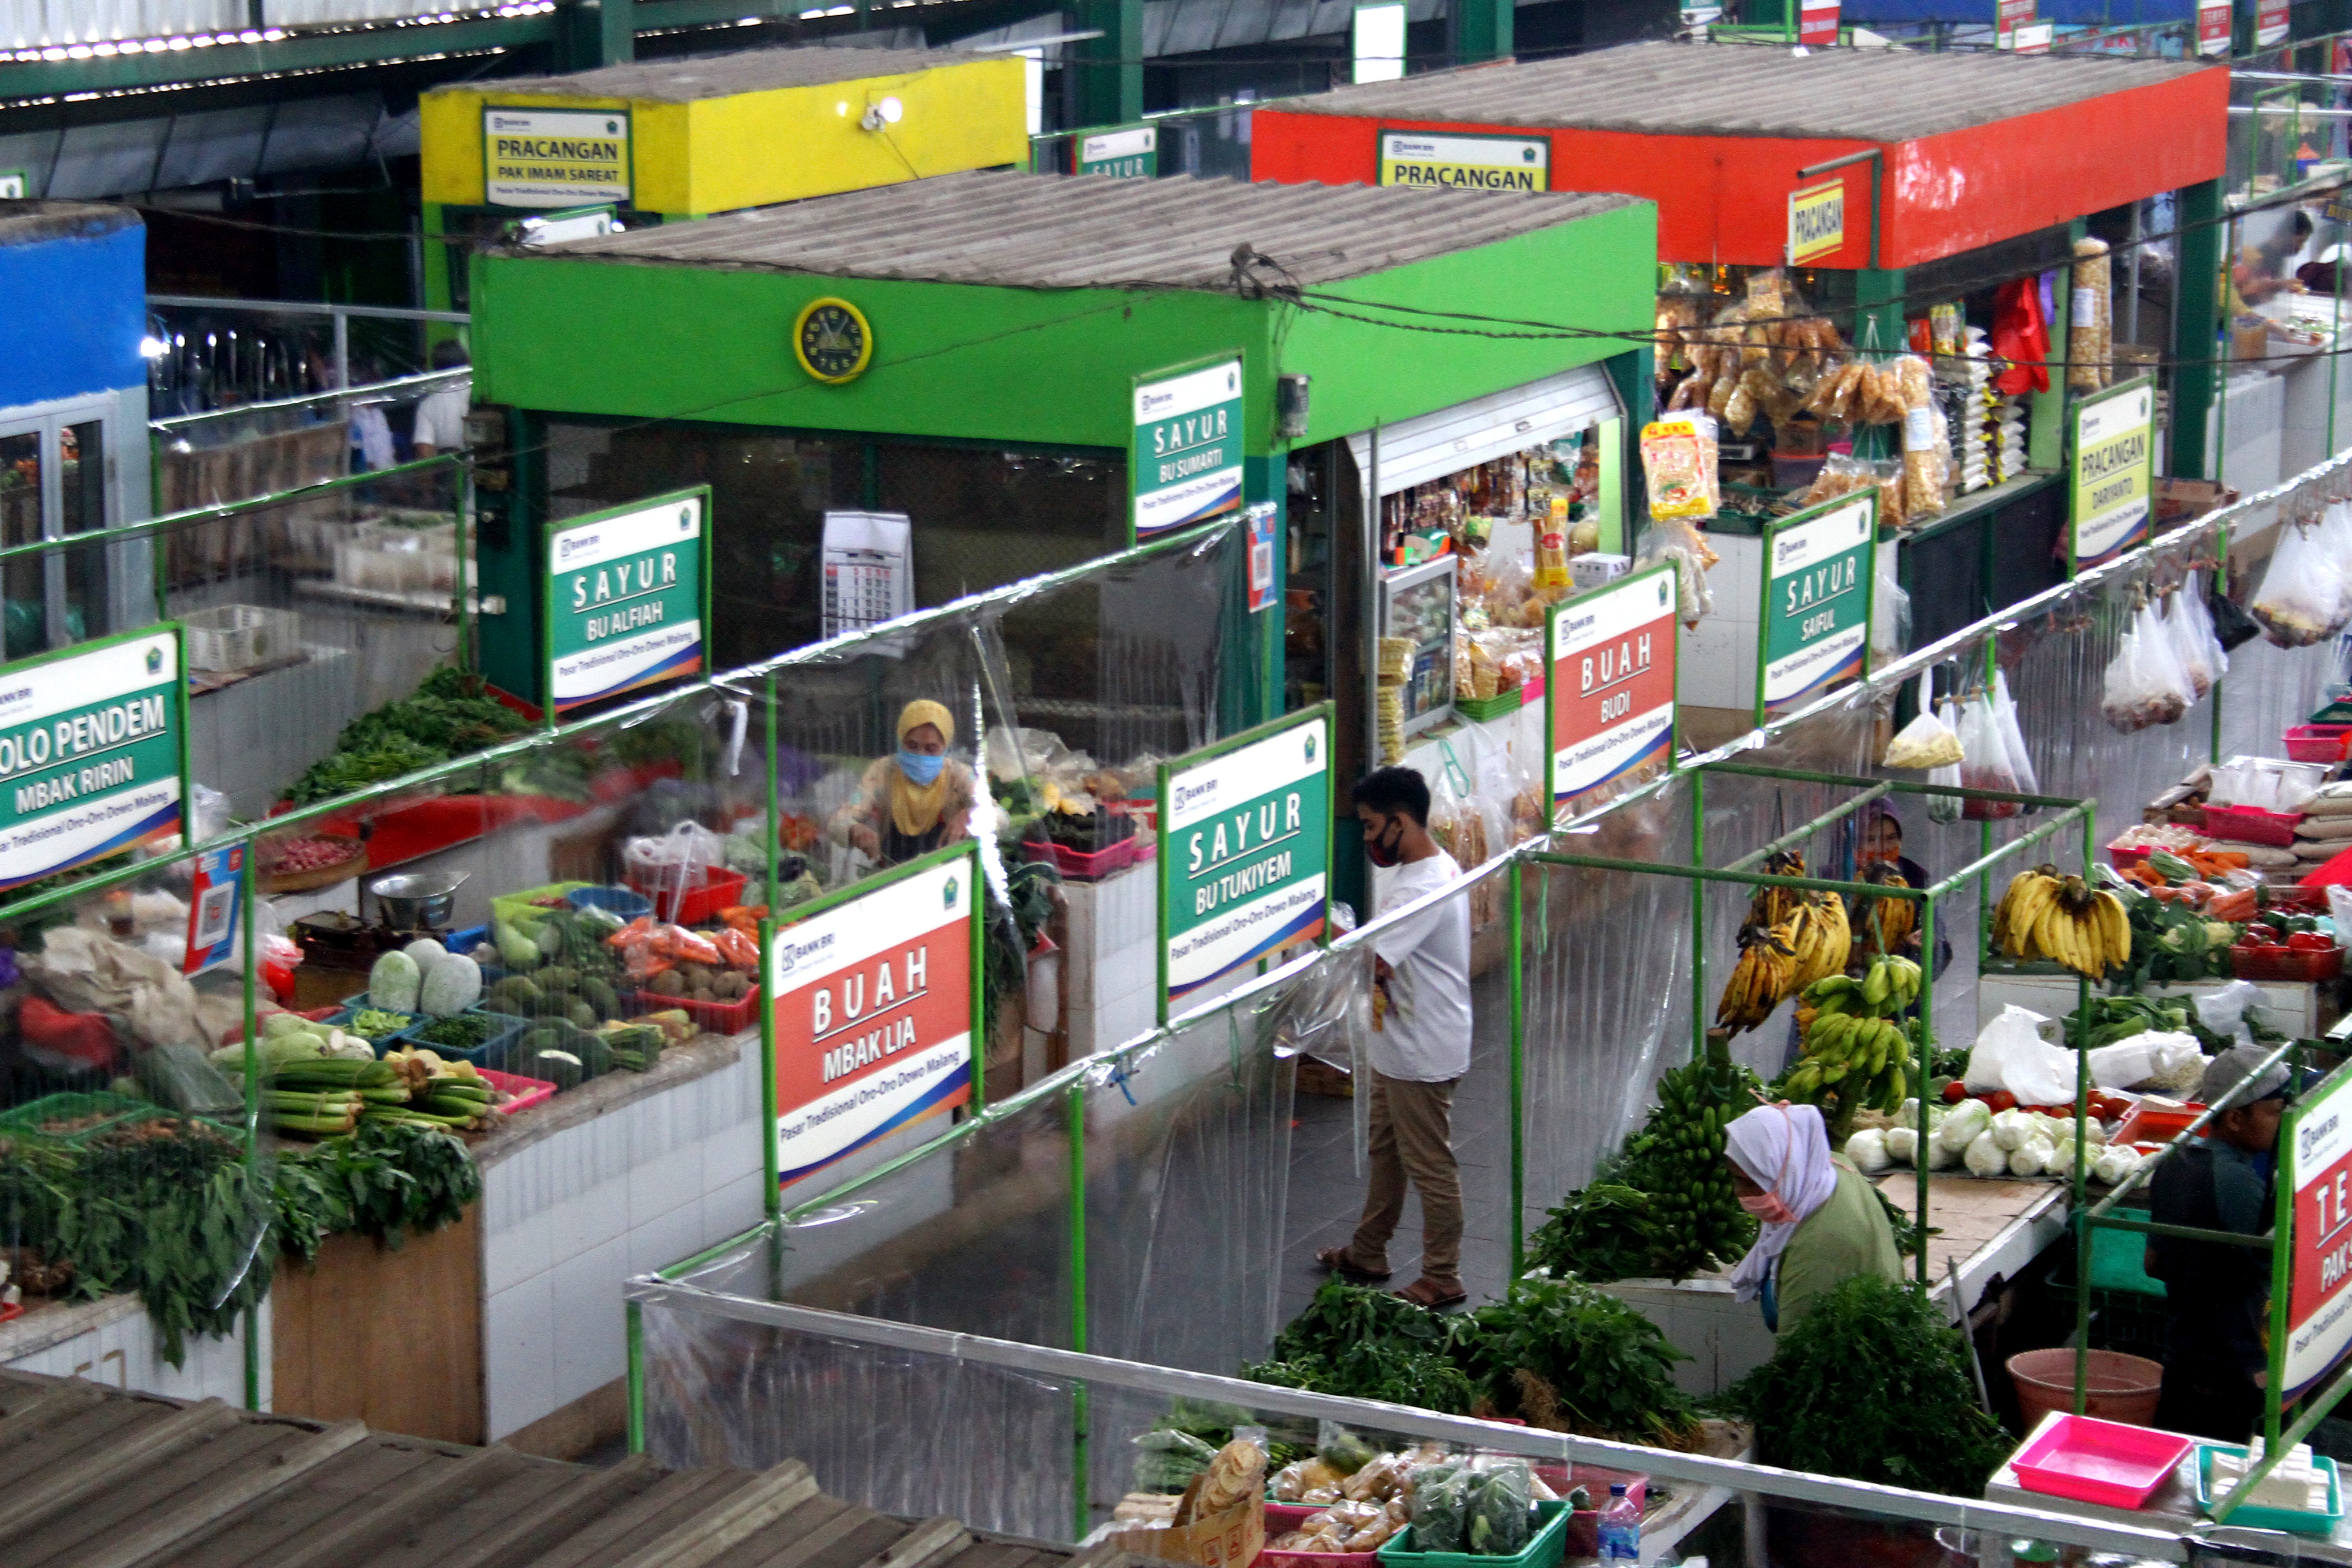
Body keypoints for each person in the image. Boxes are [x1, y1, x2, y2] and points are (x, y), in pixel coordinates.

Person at [1316, 766, 1475, 1309]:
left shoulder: (1424, 888)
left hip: (1423, 1049)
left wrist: (1317, 925)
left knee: (1430, 1164)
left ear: (1400, 821)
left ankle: (1443, 1273)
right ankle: (1369, 1250)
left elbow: (1372, 961)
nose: (1365, 838)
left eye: (1369, 825)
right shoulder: (1421, 871)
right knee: (1386, 1152)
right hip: (1399, 1042)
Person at [2146, 1045, 2287, 1442]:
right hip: (2230, 1362)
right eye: (2274, 1112)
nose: (2280, 1123)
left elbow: (2153, 1263)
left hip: (2182, 1355)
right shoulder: (2238, 1181)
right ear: (2236, 1118)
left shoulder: (2174, 1161)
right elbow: (2274, 1270)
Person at [1725, 1101, 1903, 1332]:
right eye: (1736, 1178)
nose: (1738, 1192)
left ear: (1784, 1172)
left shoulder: (1818, 1249)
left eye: (1749, 1182)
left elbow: (1798, 1355)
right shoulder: (1832, 1168)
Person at [828, 700, 977, 867]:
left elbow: (999, 815)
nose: (921, 756)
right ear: (900, 740)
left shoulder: (959, 775)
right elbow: (838, 821)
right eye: (912, 746)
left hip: (950, 873)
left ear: (945, 747)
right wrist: (855, 830)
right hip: (894, 874)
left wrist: (971, 815)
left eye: (931, 749)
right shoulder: (883, 772)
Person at [2229, 209, 2313, 316]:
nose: (2302, 248)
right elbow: (2245, 293)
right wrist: (2281, 285)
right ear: (2287, 235)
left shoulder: (2279, 257)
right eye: (2300, 241)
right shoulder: (2259, 256)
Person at [411, 339, 472, 457]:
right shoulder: (477, 393)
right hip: (483, 467)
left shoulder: (428, 405)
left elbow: (425, 451)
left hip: (452, 469)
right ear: (467, 362)